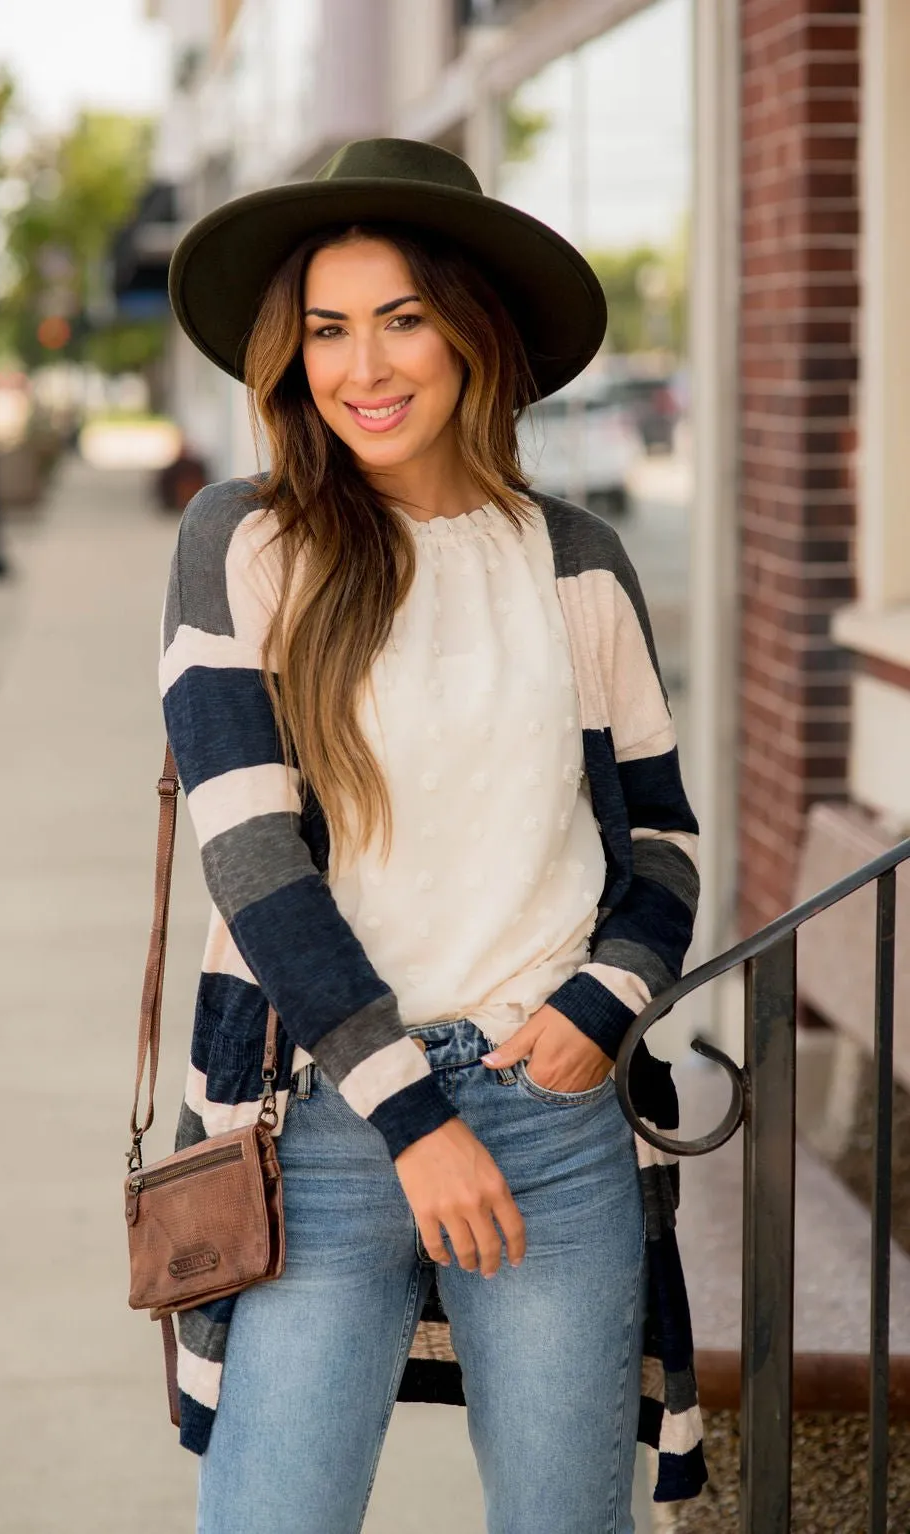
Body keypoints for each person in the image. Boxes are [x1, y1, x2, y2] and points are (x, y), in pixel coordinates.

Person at [159, 137, 706, 1534]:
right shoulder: (246, 541)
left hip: (554, 1108)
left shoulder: (574, 557)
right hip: (328, 1118)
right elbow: (253, 861)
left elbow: (664, 844)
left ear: (476, 334)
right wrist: (412, 1116)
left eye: (401, 317)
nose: (364, 366)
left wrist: (604, 1001)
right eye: (327, 329)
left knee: (564, 1520)